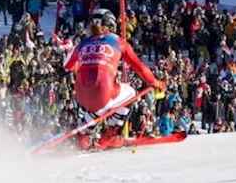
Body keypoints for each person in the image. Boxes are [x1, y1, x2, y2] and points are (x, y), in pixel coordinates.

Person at [63, 10, 163, 145]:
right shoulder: (117, 41)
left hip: (81, 93)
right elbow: (140, 68)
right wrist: (156, 82)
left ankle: (84, 132)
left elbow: (68, 66)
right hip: (102, 92)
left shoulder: (83, 43)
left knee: (100, 103)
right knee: (130, 93)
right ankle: (111, 132)